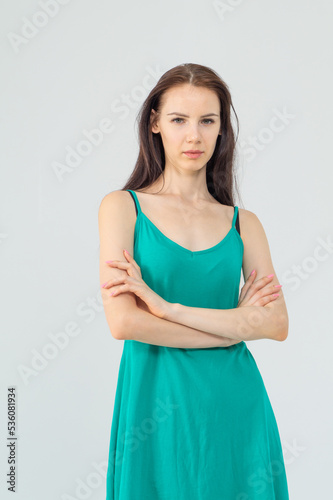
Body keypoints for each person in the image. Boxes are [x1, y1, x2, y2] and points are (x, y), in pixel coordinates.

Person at [98, 63, 290, 499]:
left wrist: (168, 309)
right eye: (179, 120)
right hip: (153, 408)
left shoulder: (244, 223)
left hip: (234, 404)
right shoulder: (121, 208)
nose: (194, 136)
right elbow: (124, 323)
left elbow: (276, 324)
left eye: (208, 120)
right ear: (154, 123)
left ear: (222, 128)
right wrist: (232, 327)